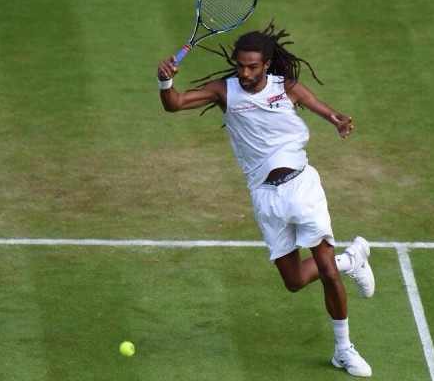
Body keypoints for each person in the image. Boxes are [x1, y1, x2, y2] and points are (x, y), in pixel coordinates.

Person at [156, 23, 375, 378]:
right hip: (264, 197)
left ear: (267, 64)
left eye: (252, 66)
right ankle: (351, 259)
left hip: (302, 188)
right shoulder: (224, 91)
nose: (244, 73)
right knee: (293, 281)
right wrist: (165, 81)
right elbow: (176, 104)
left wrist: (337, 120)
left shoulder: (285, 88)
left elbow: (322, 108)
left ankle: (343, 349)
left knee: (327, 272)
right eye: (240, 65)